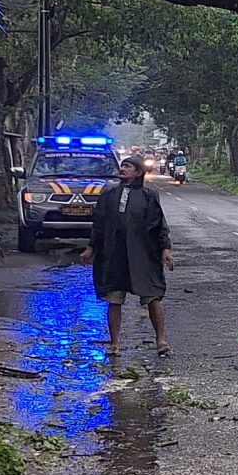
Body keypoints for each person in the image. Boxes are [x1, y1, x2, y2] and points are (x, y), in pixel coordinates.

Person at [91, 151, 176, 361]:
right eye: (123, 166)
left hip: (143, 254)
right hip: (114, 254)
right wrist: (91, 248)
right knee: (114, 298)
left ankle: (161, 341)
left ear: (138, 172)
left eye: (128, 167)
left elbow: (159, 225)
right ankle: (114, 343)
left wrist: (165, 249)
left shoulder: (149, 196)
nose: (123, 169)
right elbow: (99, 224)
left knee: (152, 296)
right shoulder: (109, 194)